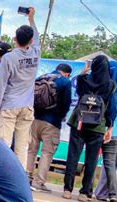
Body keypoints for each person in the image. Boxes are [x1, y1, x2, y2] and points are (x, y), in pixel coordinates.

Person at [62, 55, 117, 201]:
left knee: (73, 156)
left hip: (78, 123)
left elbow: (79, 94)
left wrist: (83, 73)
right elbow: (111, 108)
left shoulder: (84, 80)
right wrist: (110, 127)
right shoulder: (111, 85)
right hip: (97, 126)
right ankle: (84, 192)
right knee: (91, 160)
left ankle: (67, 189)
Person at [0, 7, 40, 170]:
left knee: (3, 143)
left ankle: (0, 174)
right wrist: (31, 19)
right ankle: (19, 179)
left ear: (14, 39)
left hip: (9, 106)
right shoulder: (35, 53)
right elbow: (37, 37)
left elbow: (1, 86)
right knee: (21, 147)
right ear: (30, 41)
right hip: (27, 106)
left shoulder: (8, 58)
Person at [26, 63, 72, 193]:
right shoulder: (65, 82)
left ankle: (26, 178)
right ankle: (38, 183)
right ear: (67, 73)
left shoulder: (41, 78)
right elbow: (66, 103)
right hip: (52, 122)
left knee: (31, 150)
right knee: (46, 153)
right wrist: (60, 116)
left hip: (34, 119)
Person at [93, 61, 117, 202]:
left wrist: (107, 128)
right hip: (116, 132)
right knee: (110, 164)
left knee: (92, 159)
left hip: (100, 128)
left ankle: (87, 190)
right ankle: (113, 195)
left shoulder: (106, 87)